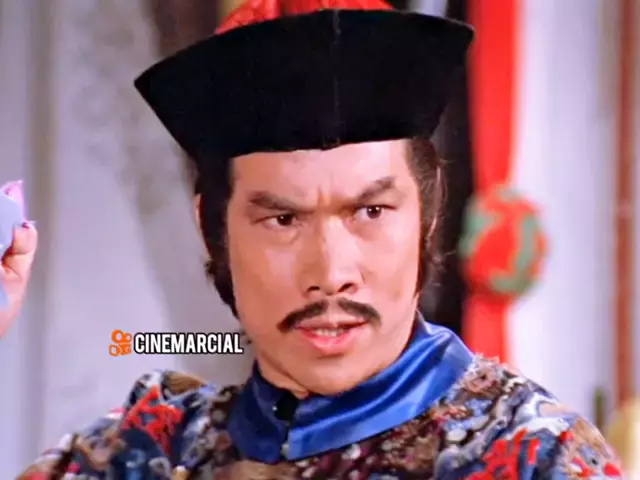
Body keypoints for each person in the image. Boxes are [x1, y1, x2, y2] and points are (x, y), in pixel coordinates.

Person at [4, 0, 624, 477]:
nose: (331, 273)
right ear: (212, 230)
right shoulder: (153, 449)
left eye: (371, 212)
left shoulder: (528, 455)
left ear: (427, 214)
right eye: (283, 220)